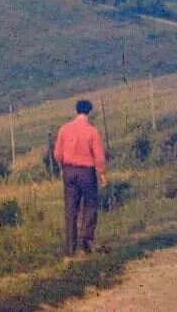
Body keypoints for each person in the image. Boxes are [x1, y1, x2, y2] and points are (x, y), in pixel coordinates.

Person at [54, 99, 107, 258]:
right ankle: (86, 241)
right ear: (89, 111)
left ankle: (70, 248)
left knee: (71, 209)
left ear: (76, 111)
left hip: (69, 171)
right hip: (86, 172)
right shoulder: (92, 131)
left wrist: (62, 168)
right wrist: (102, 174)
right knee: (90, 205)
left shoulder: (64, 129)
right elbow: (99, 157)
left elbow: (57, 153)